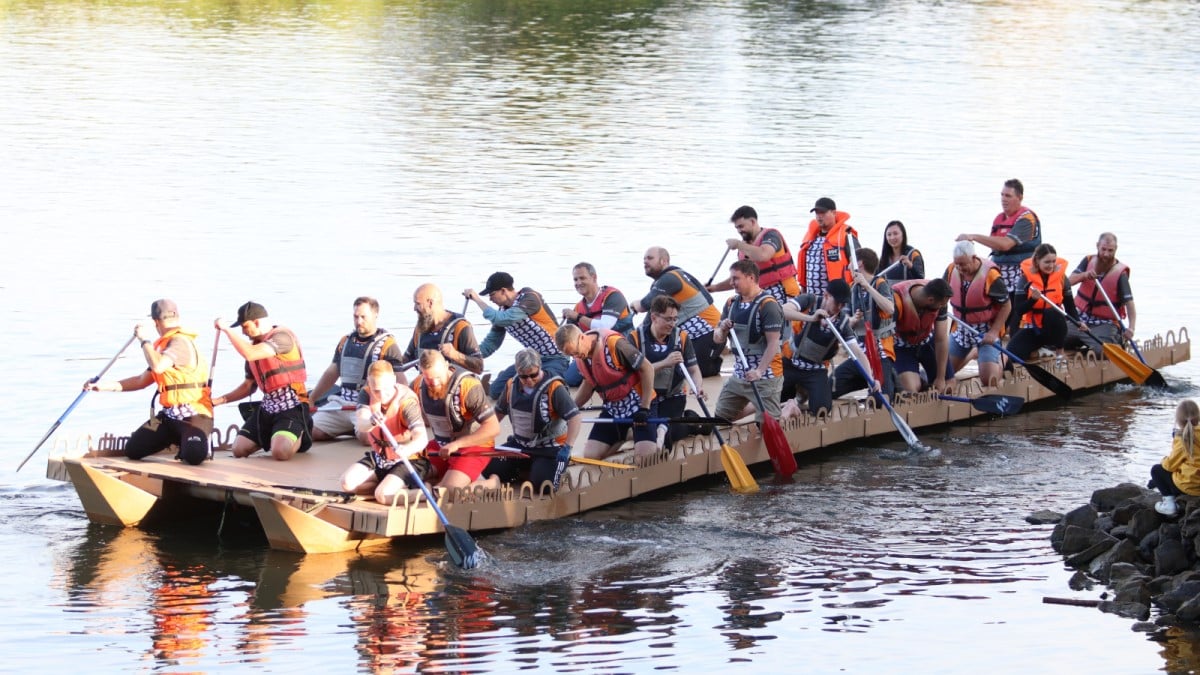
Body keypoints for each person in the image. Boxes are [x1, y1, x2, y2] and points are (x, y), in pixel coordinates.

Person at [84, 299, 213, 465]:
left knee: (194, 457)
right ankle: (178, 441)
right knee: (133, 450)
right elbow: (140, 381)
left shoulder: (179, 342)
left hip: (194, 414)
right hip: (170, 415)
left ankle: (190, 443)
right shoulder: (163, 349)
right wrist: (102, 386)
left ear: (156, 322)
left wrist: (144, 340)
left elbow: (158, 367)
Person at [213, 302, 313, 461]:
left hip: (292, 405)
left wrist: (226, 329)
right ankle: (275, 435)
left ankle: (301, 434)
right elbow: (248, 386)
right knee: (238, 449)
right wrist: (217, 401)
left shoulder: (282, 337)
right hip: (268, 406)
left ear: (257, 322)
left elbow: (250, 354)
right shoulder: (254, 347)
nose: (244, 332)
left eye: (245, 327)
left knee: (280, 453)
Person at [308, 297, 407, 443]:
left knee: (367, 439)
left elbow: (401, 382)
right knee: (312, 431)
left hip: (367, 404)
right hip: (342, 402)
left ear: (375, 315)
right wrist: (312, 398)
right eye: (356, 317)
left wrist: (398, 411)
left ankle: (361, 429)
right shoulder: (345, 341)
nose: (359, 321)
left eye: (363, 317)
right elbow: (332, 373)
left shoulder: (388, 345)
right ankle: (348, 428)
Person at [556, 323, 657, 460]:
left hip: (639, 405)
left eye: (575, 352)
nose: (576, 357)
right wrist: (571, 410)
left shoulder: (614, 344)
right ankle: (627, 434)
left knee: (645, 458)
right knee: (591, 455)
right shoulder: (582, 357)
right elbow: (588, 384)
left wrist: (645, 408)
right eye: (571, 355)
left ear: (581, 337)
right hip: (613, 408)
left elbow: (647, 368)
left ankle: (661, 429)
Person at [488, 349, 583, 490]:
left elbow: (575, 418)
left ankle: (546, 470)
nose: (529, 380)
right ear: (517, 372)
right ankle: (529, 467)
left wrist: (567, 447)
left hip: (550, 447)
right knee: (487, 466)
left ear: (540, 367)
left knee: (544, 486)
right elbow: (498, 413)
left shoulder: (554, 387)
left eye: (533, 375)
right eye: (524, 377)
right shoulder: (511, 385)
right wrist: (484, 438)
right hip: (521, 445)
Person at [466, 272, 568, 400]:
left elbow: (504, 319)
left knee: (541, 390)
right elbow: (491, 343)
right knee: (495, 392)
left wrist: (477, 299)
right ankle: (508, 377)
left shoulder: (529, 298)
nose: (490, 299)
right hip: (532, 360)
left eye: (492, 295)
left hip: (555, 357)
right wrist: (468, 356)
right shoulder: (502, 312)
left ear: (503, 291)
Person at [778, 279, 874, 416]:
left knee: (822, 410)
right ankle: (794, 398)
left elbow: (857, 352)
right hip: (792, 363)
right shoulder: (809, 300)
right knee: (774, 398)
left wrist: (870, 379)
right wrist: (812, 318)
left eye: (843, 304)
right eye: (837, 302)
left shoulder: (843, 323)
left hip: (815, 370)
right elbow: (783, 311)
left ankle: (802, 394)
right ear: (826, 295)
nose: (839, 307)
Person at [339, 361, 429, 504]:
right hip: (380, 458)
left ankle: (425, 492)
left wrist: (407, 449)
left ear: (394, 379)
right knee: (346, 484)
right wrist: (371, 421)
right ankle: (385, 485)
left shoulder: (407, 402)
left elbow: (422, 438)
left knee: (383, 496)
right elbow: (362, 425)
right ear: (369, 383)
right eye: (376, 390)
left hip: (408, 460)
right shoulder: (366, 393)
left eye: (386, 389)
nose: (381, 395)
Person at [412, 349, 501, 490]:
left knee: (447, 491)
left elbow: (493, 428)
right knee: (410, 476)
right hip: (441, 445)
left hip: (474, 446)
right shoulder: (418, 385)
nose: (434, 383)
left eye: (438, 377)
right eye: (428, 379)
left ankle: (489, 484)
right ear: (421, 372)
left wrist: (457, 444)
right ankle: (440, 478)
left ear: (446, 366)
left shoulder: (468, 386)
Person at [711, 260, 785, 423]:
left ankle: (786, 409)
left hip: (765, 376)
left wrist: (759, 371)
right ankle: (759, 407)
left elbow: (773, 344)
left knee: (766, 425)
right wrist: (722, 329)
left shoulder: (768, 305)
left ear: (751, 278)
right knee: (721, 418)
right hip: (739, 374)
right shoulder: (731, 303)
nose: (731, 283)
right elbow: (717, 339)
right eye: (731, 279)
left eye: (735, 278)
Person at [631, 246, 723, 377]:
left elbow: (644, 305)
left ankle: (713, 362)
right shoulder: (676, 275)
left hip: (709, 332)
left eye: (650, 258)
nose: (645, 262)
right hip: (698, 334)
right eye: (644, 259)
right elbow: (651, 317)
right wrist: (634, 337)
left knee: (691, 372)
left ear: (664, 261)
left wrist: (634, 304)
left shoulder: (669, 279)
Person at [628, 295, 706, 445]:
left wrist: (698, 386)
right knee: (648, 433)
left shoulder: (682, 337)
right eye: (668, 319)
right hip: (647, 398)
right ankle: (684, 422)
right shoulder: (635, 338)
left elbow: (694, 369)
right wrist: (665, 363)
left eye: (675, 319)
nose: (672, 324)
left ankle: (691, 424)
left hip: (673, 397)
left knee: (665, 438)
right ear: (654, 317)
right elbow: (633, 374)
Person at [955, 178, 1042, 297]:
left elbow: (1005, 245)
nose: (1003, 199)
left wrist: (973, 237)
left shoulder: (1026, 219)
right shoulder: (999, 219)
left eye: (1008, 196)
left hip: (1019, 271)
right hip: (999, 268)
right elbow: (995, 247)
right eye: (1002, 195)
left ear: (1020, 198)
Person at [831, 248, 897, 400]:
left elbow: (890, 308)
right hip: (860, 354)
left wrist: (867, 287)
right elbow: (844, 321)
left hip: (880, 353)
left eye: (850, 264)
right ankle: (865, 381)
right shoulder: (853, 288)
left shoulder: (880, 284)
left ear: (859, 264)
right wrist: (852, 320)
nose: (848, 268)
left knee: (881, 399)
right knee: (830, 388)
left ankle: (889, 381)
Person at [944, 240, 1010, 387]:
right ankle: (973, 353)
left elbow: (1006, 306)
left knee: (989, 380)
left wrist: (993, 333)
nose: (960, 268)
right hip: (961, 328)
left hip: (985, 331)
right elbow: (940, 298)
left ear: (974, 258)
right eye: (957, 264)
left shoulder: (991, 275)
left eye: (963, 264)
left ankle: (1003, 357)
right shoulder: (951, 270)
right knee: (942, 374)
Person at [561, 262, 634, 386]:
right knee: (569, 379)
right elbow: (570, 340)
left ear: (594, 277)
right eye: (575, 279)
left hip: (620, 348)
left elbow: (605, 326)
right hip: (592, 353)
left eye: (582, 278)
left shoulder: (613, 296)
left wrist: (578, 317)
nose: (578, 283)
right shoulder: (578, 308)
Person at [707, 205, 799, 303]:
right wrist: (715, 288)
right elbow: (740, 278)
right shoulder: (744, 248)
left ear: (752, 222)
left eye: (741, 226)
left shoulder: (771, 236)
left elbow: (763, 255)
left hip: (783, 294)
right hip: (759, 297)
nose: (739, 231)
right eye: (737, 228)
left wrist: (738, 244)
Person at [1065, 232, 1138, 354]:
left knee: (1104, 352)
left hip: (1104, 324)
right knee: (1055, 339)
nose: (1106, 254)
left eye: (1110, 251)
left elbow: (1130, 304)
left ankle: (1115, 341)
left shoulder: (1120, 273)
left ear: (1116, 249)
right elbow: (1068, 282)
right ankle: (1084, 344)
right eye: (1103, 249)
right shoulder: (1088, 261)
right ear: (1097, 246)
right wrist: (1084, 275)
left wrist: (1131, 328)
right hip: (1080, 319)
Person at [1007, 244, 1079, 362]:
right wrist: (1032, 300)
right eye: (1047, 262)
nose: (1051, 265)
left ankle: (1059, 351)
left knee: (1053, 312)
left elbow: (1070, 306)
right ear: (1037, 261)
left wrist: (1078, 322)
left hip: (1055, 329)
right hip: (1034, 328)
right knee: (1012, 354)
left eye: (1053, 261)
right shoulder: (1025, 279)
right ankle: (1039, 351)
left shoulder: (1061, 278)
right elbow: (1019, 309)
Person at [891, 278, 955, 394]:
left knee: (948, 385)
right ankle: (916, 378)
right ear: (930, 300)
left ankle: (926, 376)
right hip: (902, 345)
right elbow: (884, 338)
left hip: (926, 341)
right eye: (941, 305)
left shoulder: (940, 298)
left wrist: (940, 378)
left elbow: (941, 339)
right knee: (910, 390)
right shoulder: (896, 301)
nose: (942, 307)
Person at [406, 283, 484, 374]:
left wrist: (455, 355)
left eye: (418, 304)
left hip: (452, 385)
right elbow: (406, 359)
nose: (414, 308)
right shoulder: (421, 328)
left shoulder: (460, 327)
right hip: (425, 385)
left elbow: (479, 367)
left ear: (430, 303)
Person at [795, 197, 859, 297]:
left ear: (834, 213)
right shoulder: (811, 237)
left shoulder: (846, 235)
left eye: (823, 213)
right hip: (810, 297)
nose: (819, 217)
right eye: (817, 213)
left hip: (836, 299)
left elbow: (858, 264)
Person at [1149, 399, 1200, 517]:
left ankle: (1169, 505)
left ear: (1178, 420)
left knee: (1157, 470)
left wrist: (1164, 459)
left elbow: (1169, 466)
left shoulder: (1183, 438)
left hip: (1190, 486)